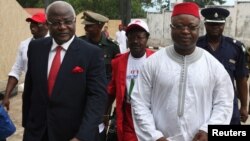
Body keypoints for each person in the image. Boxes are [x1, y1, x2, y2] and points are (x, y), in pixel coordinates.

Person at [131, 2, 234, 141]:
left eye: (192, 27)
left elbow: (224, 102)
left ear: (199, 29)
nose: (186, 31)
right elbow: (139, 103)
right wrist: (154, 137)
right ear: (171, 28)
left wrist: (208, 131)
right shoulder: (152, 63)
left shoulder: (214, 67)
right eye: (179, 26)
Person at [22, 1, 107, 141]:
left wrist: (82, 136)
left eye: (67, 21)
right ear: (48, 24)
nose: (62, 27)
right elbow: (30, 89)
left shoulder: (91, 53)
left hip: (72, 134)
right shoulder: (36, 47)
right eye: (56, 22)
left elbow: (97, 98)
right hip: (37, 132)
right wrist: (27, 124)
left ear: (74, 21)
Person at [196, 7, 249, 124]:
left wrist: (244, 106)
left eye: (219, 24)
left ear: (224, 25)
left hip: (229, 104)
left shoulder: (236, 48)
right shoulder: (195, 46)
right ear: (205, 24)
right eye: (211, 24)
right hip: (200, 104)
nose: (215, 27)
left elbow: (241, 79)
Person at [105, 20, 154, 141]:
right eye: (131, 37)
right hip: (128, 116)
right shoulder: (118, 62)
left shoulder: (156, 59)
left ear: (147, 38)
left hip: (152, 115)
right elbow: (111, 90)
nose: (135, 41)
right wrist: (104, 113)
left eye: (139, 37)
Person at [79, 11, 120, 82]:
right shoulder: (80, 43)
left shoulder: (112, 46)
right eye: (85, 26)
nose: (85, 29)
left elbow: (117, 71)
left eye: (89, 26)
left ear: (99, 26)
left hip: (104, 89)